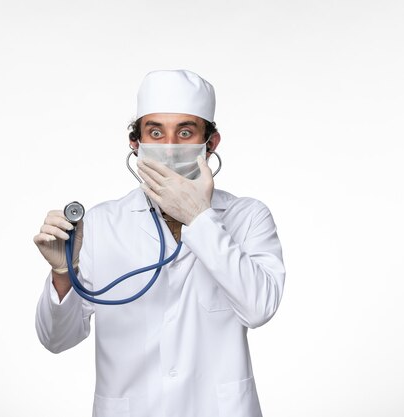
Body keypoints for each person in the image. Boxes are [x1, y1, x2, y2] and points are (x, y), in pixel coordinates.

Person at [34, 69, 285, 417]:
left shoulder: (248, 216)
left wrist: (200, 218)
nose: (168, 147)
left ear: (210, 144)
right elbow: (57, 340)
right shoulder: (102, 223)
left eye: (185, 132)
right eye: (155, 132)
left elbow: (259, 308)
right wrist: (63, 272)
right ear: (135, 143)